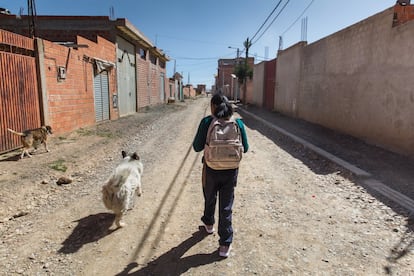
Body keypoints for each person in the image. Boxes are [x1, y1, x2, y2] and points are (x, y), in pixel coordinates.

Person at [192, 93, 249, 258]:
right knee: (226, 206)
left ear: (213, 107)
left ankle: (209, 224)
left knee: (209, 197)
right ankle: (225, 244)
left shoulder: (207, 122)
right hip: (231, 171)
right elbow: (245, 148)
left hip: (210, 168)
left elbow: (196, 147)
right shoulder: (238, 123)